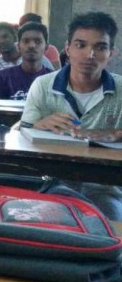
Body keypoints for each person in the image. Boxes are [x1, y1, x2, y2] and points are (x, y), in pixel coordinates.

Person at [21, 12, 122, 219]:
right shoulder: (43, 85)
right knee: (39, 223)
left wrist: (116, 133)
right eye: (80, 45)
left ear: (111, 53)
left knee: (109, 224)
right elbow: (21, 133)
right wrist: (38, 125)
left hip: (104, 188)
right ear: (67, 49)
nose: (89, 54)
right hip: (52, 184)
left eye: (100, 47)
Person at [0, 22, 51, 100]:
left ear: (46, 47)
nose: (31, 45)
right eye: (26, 41)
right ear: (18, 46)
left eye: (37, 41)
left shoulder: (55, 80)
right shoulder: (2, 78)